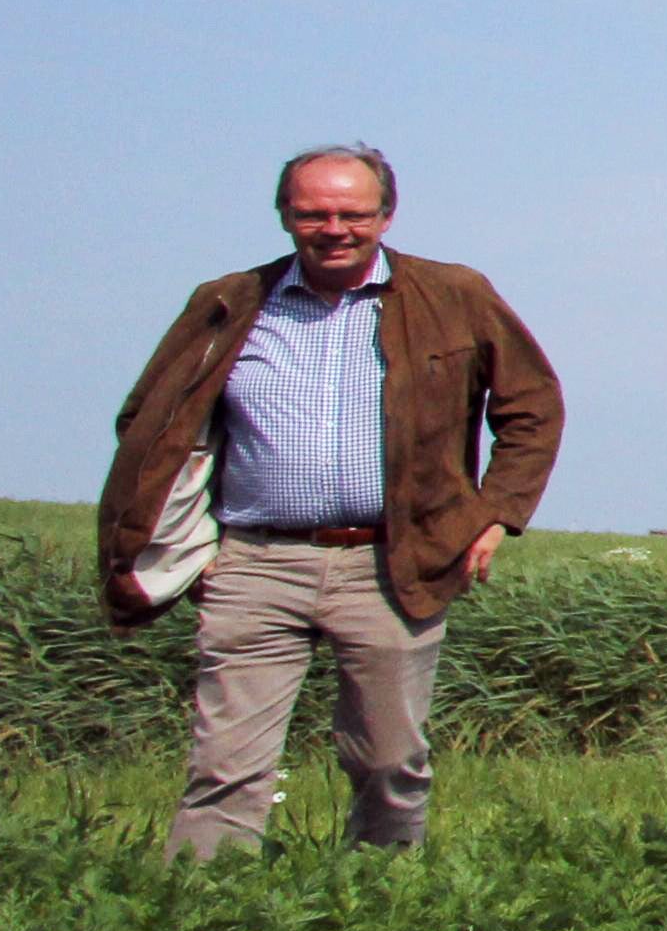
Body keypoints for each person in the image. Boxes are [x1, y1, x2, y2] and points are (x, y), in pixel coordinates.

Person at [95, 145, 563, 859]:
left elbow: (533, 407)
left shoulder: (454, 294)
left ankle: (377, 902)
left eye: (352, 213)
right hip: (252, 562)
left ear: (386, 215)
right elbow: (151, 419)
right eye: (313, 213)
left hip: (395, 560)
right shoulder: (227, 302)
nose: (334, 228)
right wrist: (182, 537)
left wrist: (497, 513)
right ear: (284, 216)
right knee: (225, 767)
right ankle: (195, 916)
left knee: (387, 761)